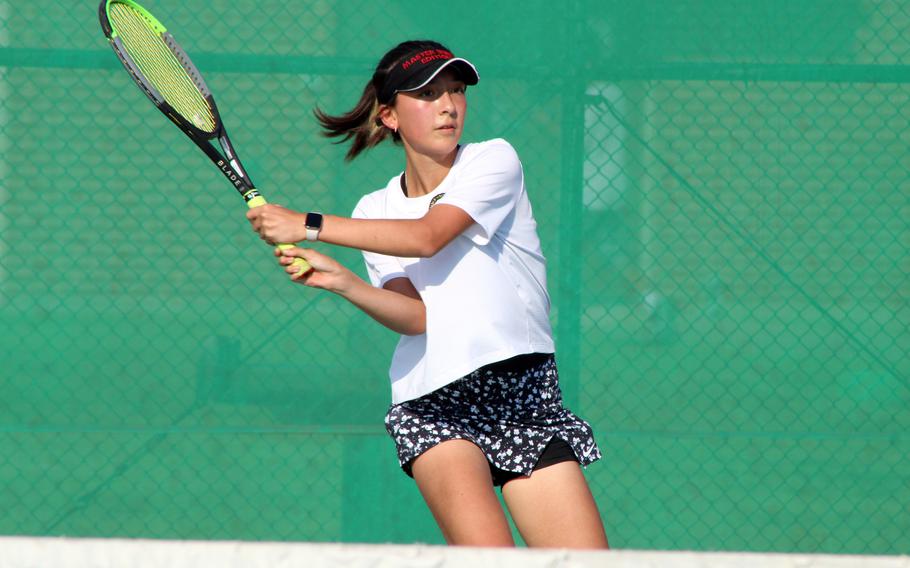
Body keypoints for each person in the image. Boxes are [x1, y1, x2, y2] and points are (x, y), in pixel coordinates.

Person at [246, 39, 609, 549]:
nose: (448, 105)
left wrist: (307, 224)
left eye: (456, 90)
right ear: (389, 115)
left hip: (525, 394)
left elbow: (427, 235)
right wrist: (343, 281)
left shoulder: (493, 161)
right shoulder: (374, 208)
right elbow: (416, 317)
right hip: (434, 405)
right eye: (427, 93)